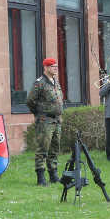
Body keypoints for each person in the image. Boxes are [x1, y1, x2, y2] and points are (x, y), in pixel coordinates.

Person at [27, 57, 64, 186]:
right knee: (43, 148)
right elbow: (30, 101)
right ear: (46, 68)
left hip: (57, 120)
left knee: (54, 148)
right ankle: (41, 177)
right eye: (53, 66)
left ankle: (53, 175)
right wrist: (39, 113)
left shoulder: (55, 82)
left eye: (56, 66)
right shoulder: (40, 83)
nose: (55, 68)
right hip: (45, 120)